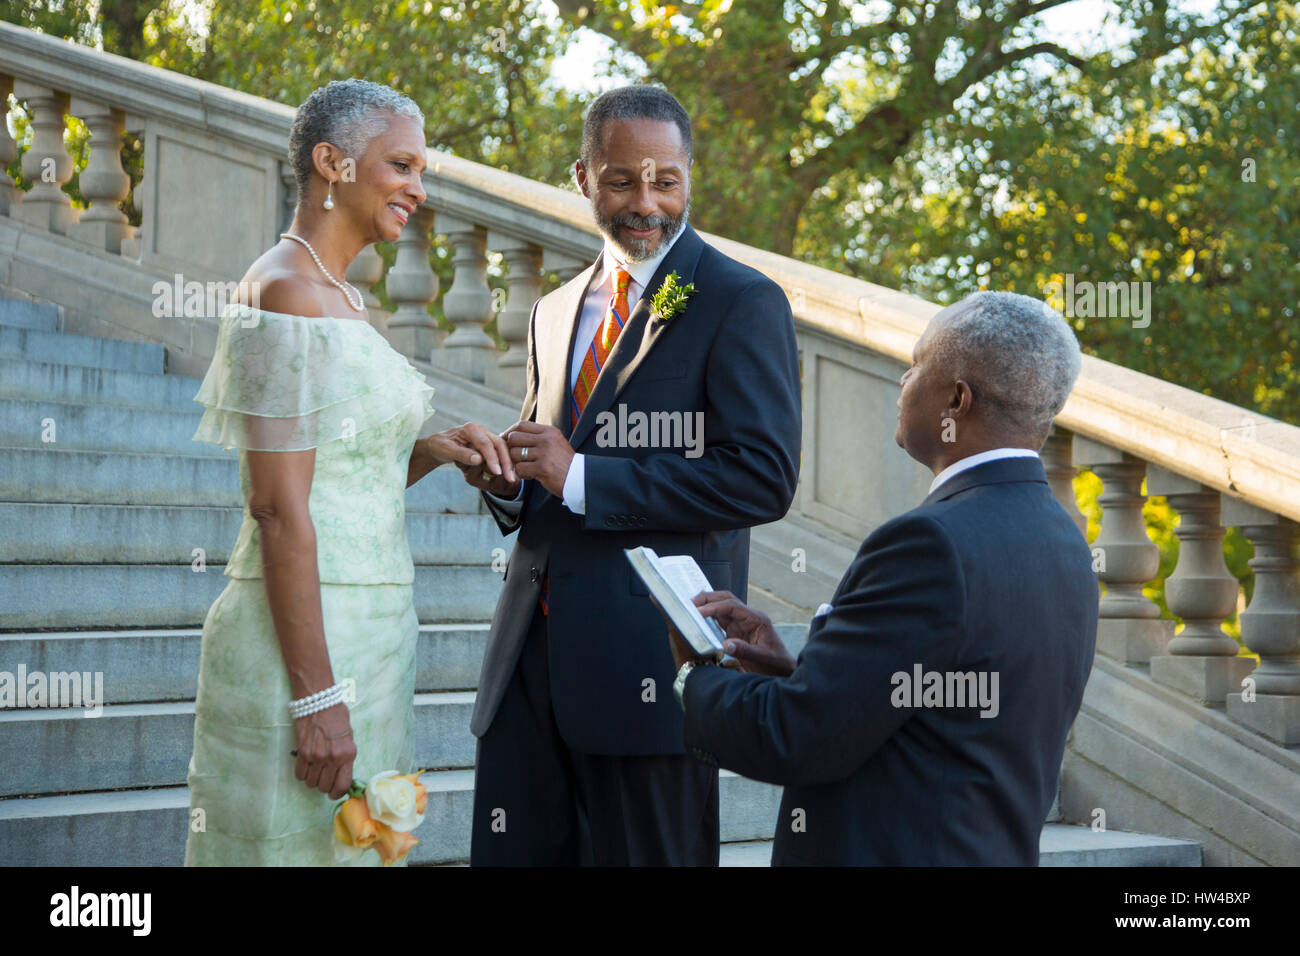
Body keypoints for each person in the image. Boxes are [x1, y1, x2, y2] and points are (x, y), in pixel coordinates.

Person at [459, 85, 802, 866]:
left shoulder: (741, 301)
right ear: (583, 177)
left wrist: (585, 477)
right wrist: (510, 485)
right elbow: (548, 470)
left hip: (652, 670)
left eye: (666, 181)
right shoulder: (553, 310)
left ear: (688, 178)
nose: (646, 203)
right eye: (622, 181)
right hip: (524, 666)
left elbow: (764, 477)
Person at [184, 79, 511, 866]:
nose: (419, 189)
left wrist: (432, 451)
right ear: (332, 163)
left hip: (375, 636)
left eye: (420, 169)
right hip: (302, 649)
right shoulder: (285, 291)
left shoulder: (341, 297)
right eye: (401, 165)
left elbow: (339, 481)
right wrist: (318, 695)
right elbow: (275, 508)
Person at [663, 291, 1098, 865]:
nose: (903, 379)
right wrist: (800, 671)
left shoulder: (928, 544)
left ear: (955, 400)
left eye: (918, 363)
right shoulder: (1065, 541)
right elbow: (937, 713)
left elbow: (797, 737)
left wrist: (692, 674)